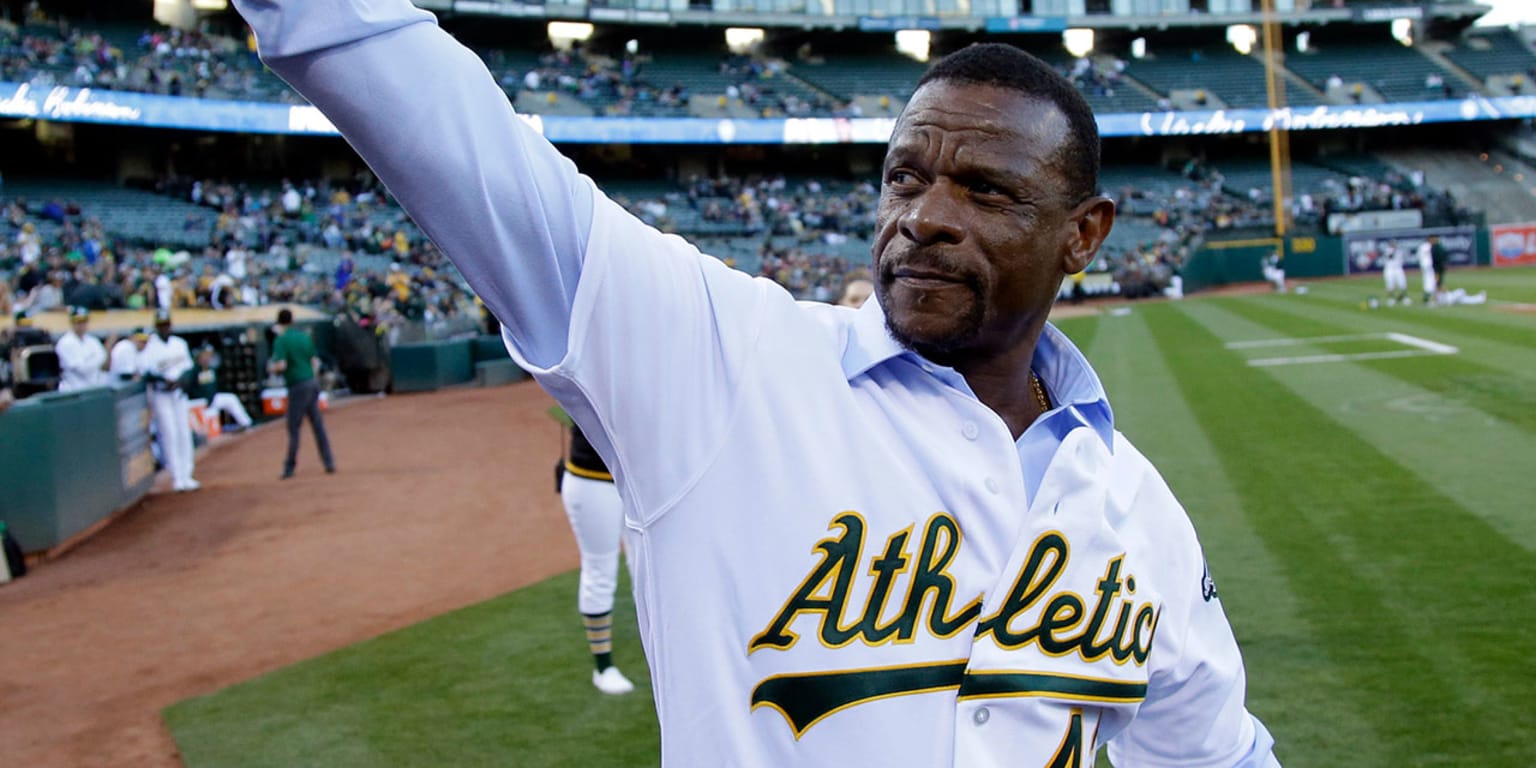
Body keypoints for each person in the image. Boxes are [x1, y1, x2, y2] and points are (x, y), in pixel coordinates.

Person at [237, 5, 1277, 764]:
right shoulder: (725, 363)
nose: (924, 216)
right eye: (906, 178)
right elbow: (414, 97)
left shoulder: (1135, 507)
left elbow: (1214, 752)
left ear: (1083, 236)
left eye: (986, 190)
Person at [558, 422, 636, 696]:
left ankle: (663, 649)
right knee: (600, 569)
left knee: (649, 571)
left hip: (640, 479)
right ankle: (603, 667)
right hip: (592, 477)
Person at [270, 307, 335, 478]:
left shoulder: (281, 340)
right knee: (317, 425)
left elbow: (281, 365)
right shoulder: (304, 337)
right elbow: (314, 362)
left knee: (294, 427)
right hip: (311, 383)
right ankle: (329, 461)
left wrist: (272, 368)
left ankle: (289, 467)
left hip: (297, 385)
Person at [139, 309, 199, 492]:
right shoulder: (150, 346)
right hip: (161, 394)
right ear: (156, 326)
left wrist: (181, 381)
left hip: (179, 393)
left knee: (183, 432)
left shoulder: (179, 343)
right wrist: (163, 380)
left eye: (167, 324)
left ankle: (187, 474)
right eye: (161, 325)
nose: (165, 327)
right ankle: (177, 477)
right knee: (169, 434)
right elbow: (145, 372)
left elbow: (190, 368)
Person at [189, 345, 254, 433]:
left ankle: (246, 424)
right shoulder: (193, 371)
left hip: (212, 399)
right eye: (204, 355)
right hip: (200, 404)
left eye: (209, 355)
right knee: (208, 431)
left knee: (231, 398)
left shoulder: (211, 369)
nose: (207, 358)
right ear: (198, 357)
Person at [55, 306, 112, 392]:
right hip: (73, 391)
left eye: (84, 321)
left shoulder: (92, 340)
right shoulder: (65, 342)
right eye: (78, 322)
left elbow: (104, 362)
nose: (81, 325)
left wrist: (91, 362)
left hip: (93, 388)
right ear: (72, 322)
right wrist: (97, 360)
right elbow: (82, 369)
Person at [1415, 236, 1438, 305]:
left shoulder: (1422, 246)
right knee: (1431, 282)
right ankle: (1431, 299)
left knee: (1427, 281)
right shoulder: (1429, 246)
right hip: (1429, 265)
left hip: (1424, 266)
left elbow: (1418, 257)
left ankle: (1427, 298)